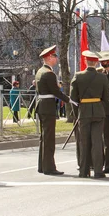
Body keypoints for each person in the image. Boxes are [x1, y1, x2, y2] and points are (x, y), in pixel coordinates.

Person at [70, 50, 109, 178]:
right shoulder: (102, 77)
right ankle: (98, 171)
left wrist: (77, 114)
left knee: (84, 142)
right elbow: (106, 97)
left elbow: (73, 99)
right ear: (96, 62)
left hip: (84, 112)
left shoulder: (78, 76)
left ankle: (83, 171)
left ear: (86, 61)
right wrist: (99, 107)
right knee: (97, 141)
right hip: (98, 111)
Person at [35, 45, 73, 175]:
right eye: (55, 56)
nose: (56, 59)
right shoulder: (49, 73)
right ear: (49, 57)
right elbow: (56, 91)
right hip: (48, 106)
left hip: (42, 106)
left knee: (44, 137)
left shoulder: (40, 71)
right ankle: (49, 167)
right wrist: (69, 100)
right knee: (49, 138)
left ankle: (42, 165)